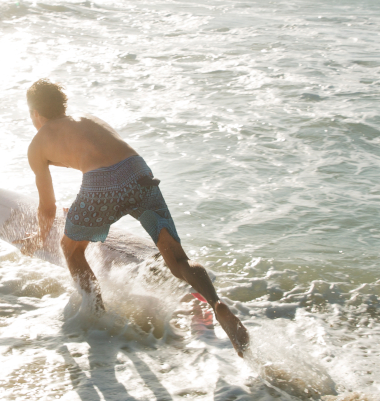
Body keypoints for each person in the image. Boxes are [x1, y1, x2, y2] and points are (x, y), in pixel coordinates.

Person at [19, 79, 251, 357]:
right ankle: (217, 305)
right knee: (178, 259)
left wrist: (38, 238)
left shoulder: (38, 144)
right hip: (138, 171)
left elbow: (48, 207)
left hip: (100, 186)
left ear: (34, 113)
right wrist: (83, 210)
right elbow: (102, 158)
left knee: (70, 248)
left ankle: (95, 315)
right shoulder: (92, 120)